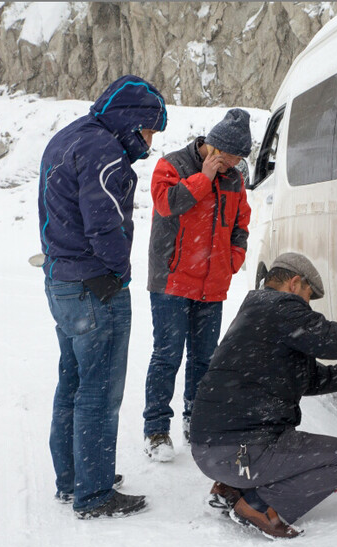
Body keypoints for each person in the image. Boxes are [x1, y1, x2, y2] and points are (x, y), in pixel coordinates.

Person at [189, 252, 337, 539]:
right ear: (294, 284)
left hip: (211, 451)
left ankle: (233, 487)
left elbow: (308, 379)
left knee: (281, 445)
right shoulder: (282, 308)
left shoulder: (255, 313)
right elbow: (335, 339)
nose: (307, 306)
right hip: (239, 452)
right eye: (308, 296)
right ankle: (259, 505)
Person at [38, 74, 167, 519]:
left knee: (72, 382)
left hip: (61, 281)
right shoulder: (104, 151)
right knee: (99, 391)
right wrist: (119, 273)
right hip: (95, 288)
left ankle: (72, 477)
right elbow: (104, 226)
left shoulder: (68, 137)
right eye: (149, 131)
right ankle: (93, 494)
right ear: (131, 121)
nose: (150, 142)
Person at [143, 108, 253, 461]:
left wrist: (232, 259)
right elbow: (166, 204)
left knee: (205, 359)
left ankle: (197, 422)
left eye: (238, 159)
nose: (235, 165)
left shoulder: (234, 179)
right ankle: (157, 431)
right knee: (167, 357)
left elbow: (241, 224)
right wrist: (203, 179)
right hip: (172, 282)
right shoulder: (172, 165)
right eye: (232, 157)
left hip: (213, 285)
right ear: (216, 148)